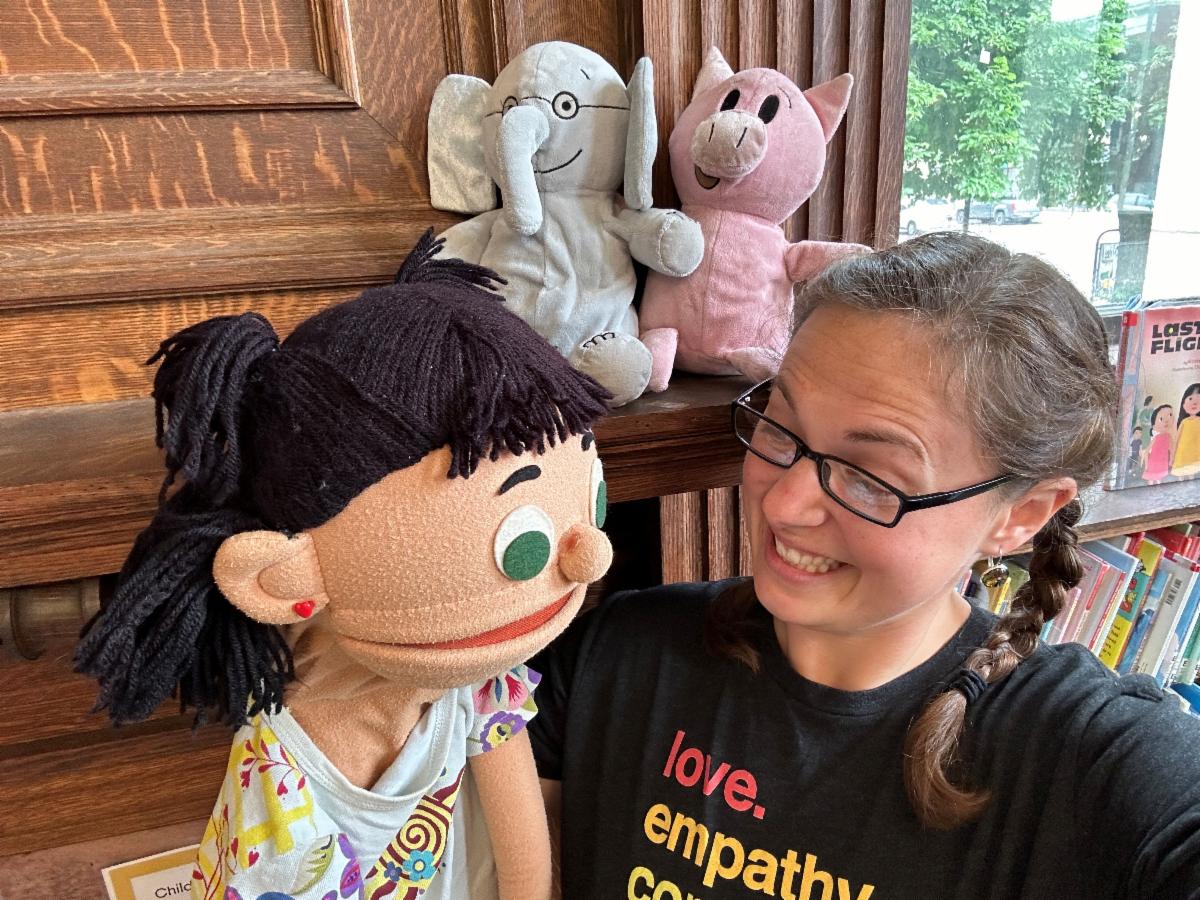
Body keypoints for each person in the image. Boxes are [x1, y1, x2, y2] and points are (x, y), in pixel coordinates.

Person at [529, 232, 1200, 900]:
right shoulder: (619, 656)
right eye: (780, 427)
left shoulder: (1085, 758)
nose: (785, 502)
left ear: (1020, 515)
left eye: (869, 473)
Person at [75, 234, 613, 900]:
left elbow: (525, 862)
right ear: (283, 579)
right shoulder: (281, 803)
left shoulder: (474, 679)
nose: (593, 554)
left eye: (594, 499)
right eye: (522, 544)